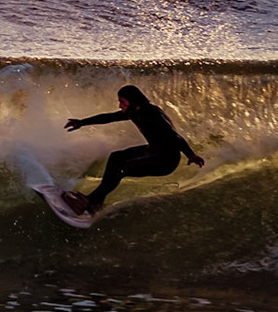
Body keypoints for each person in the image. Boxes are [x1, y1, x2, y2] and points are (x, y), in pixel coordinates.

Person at [61, 85, 204, 216]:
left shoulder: (151, 113)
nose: (120, 105)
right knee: (116, 157)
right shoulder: (134, 111)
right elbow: (109, 117)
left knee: (120, 168)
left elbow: (174, 136)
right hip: (155, 152)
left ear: (133, 101)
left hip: (166, 160)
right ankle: (96, 202)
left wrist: (191, 155)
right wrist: (81, 122)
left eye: (122, 101)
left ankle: (90, 201)